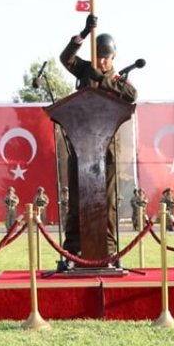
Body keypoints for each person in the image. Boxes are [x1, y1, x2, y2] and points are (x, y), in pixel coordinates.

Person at [57, 14, 138, 260]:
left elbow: (131, 95)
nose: (101, 61)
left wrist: (101, 79)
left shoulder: (118, 80)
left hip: (107, 150)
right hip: (79, 146)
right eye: (98, 56)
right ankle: (72, 249)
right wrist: (83, 34)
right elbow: (66, 58)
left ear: (113, 58)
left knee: (108, 202)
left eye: (106, 57)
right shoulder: (84, 69)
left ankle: (109, 250)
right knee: (76, 201)